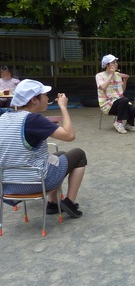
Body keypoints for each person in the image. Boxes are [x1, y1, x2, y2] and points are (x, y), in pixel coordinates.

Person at [0, 80, 87, 218]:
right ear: (34, 99)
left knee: (60, 155)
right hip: (35, 182)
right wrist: (63, 107)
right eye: (45, 95)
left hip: (8, 185)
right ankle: (69, 202)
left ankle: (52, 203)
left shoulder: (3, 118)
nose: (47, 98)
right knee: (79, 154)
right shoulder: (34, 119)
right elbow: (70, 135)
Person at [96, 54, 135, 134]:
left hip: (120, 102)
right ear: (107, 65)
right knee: (124, 100)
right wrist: (111, 74)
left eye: (116, 62)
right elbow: (103, 87)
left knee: (133, 109)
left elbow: (122, 90)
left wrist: (125, 80)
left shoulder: (118, 75)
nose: (116, 64)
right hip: (107, 104)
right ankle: (118, 122)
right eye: (113, 62)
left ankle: (129, 124)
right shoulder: (99, 76)